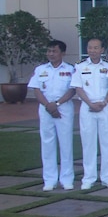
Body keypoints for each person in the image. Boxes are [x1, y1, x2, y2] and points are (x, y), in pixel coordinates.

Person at [29, 40, 75, 191]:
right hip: (45, 109)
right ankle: (49, 180)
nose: (51, 54)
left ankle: (67, 179)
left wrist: (57, 104)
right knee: (47, 144)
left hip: (63, 109)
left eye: (54, 51)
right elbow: (36, 90)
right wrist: (49, 106)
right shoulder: (41, 69)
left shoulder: (70, 69)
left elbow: (72, 90)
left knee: (66, 144)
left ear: (62, 53)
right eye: (49, 51)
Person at [72, 37, 108, 190]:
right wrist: (90, 104)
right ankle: (89, 177)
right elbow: (78, 88)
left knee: (106, 143)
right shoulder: (80, 67)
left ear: (102, 50)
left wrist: (104, 102)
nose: (93, 50)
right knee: (88, 143)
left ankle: (107, 177)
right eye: (90, 48)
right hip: (88, 107)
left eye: (96, 48)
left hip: (105, 106)